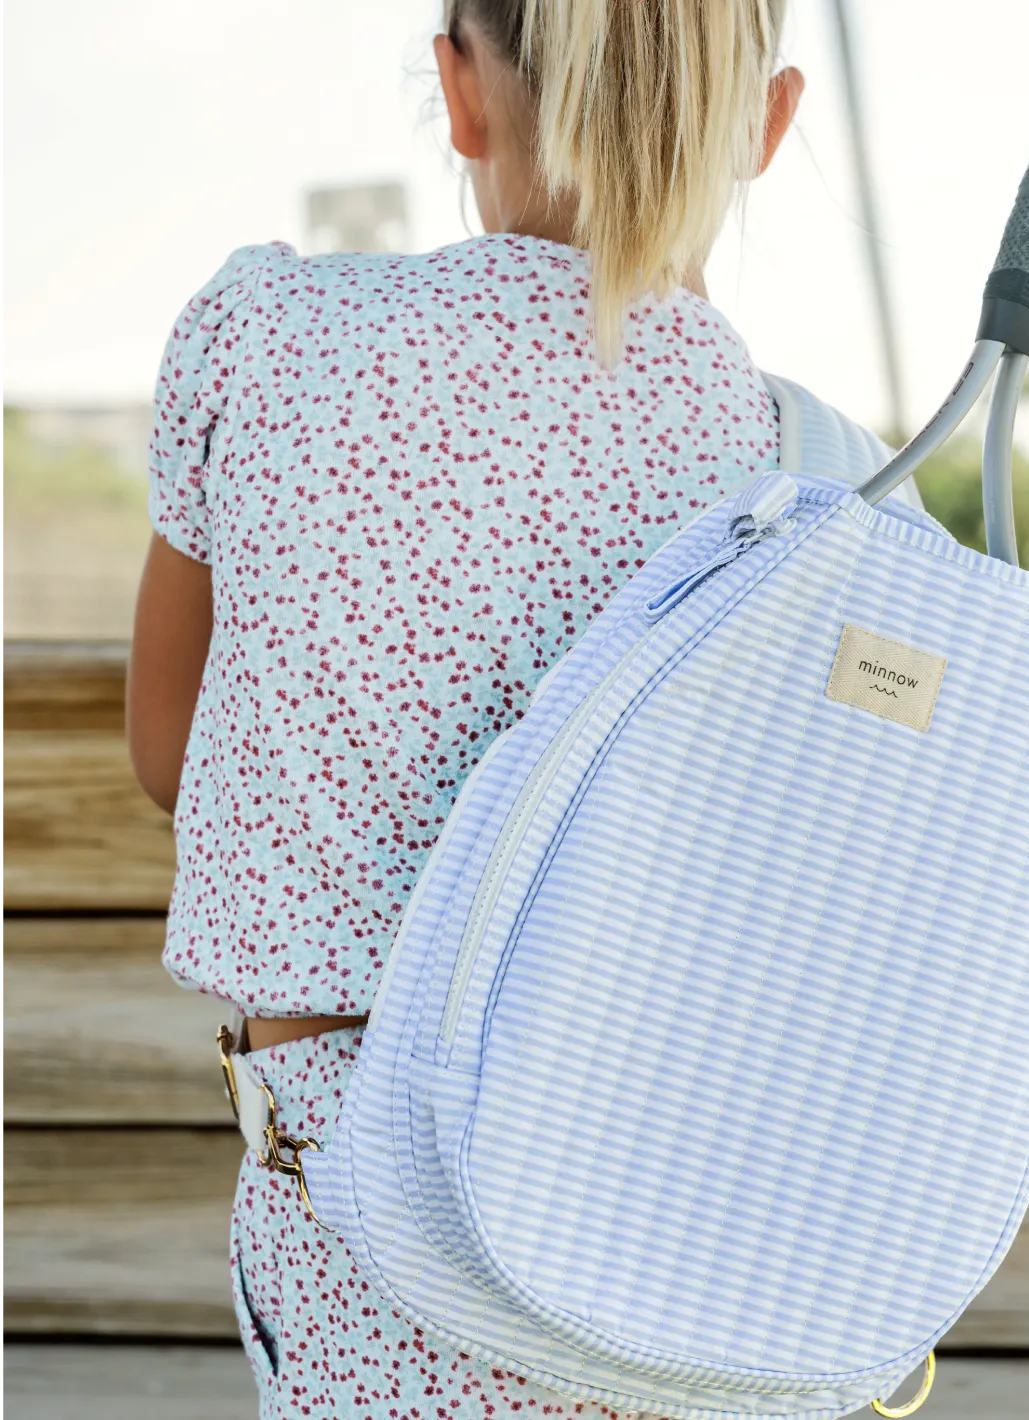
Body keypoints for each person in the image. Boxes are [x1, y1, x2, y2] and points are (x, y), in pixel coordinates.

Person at [128, 2, 916, 1415]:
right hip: (706, 1229)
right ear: (770, 122)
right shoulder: (815, 483)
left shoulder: (266, 337)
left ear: (458, 86)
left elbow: (170, 750)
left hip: (355, 1207)